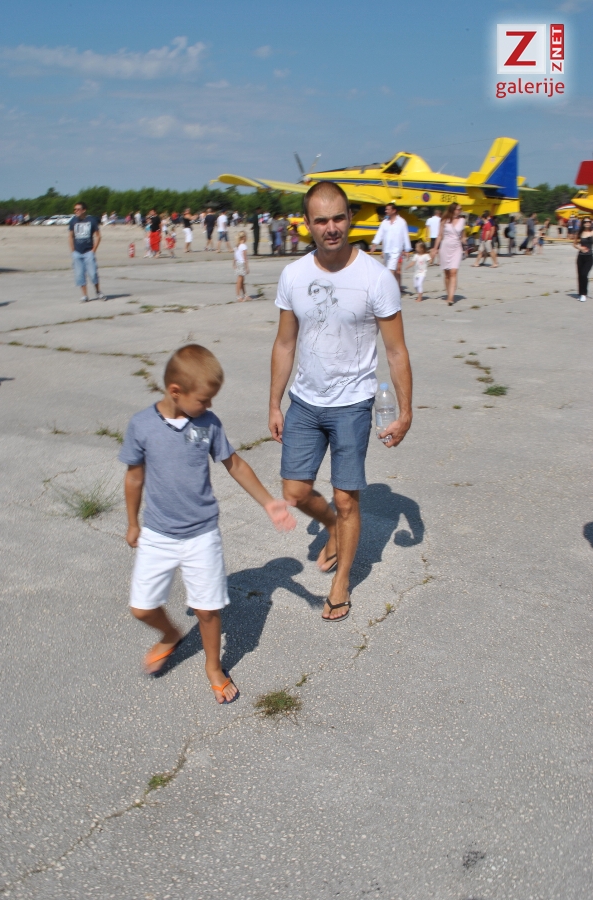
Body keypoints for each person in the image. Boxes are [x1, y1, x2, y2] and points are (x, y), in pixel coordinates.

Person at [269, 181, 413, 621]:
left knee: (347, 499)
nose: (331, 228)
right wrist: (274, 402)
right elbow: (284, 343)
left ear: (350, 218)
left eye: (338, 218)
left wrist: (406, 412)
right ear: (307, 224)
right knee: (294, 491)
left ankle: (341, 582)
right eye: (321, 220)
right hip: (304, 402)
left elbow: (396, 351)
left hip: (352, 404)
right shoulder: (293, 275)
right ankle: (332, 525)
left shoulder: (376, 277)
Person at [120, 344, 296, 697]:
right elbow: (134, 478)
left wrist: (268, 502)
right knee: (141, 608)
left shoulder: (208, 424)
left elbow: (235, 465)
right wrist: (132, 522)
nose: (210, 405)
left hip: (201, 534)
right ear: (175, 391)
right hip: (157, 532)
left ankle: (213, 665)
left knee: (207, 610)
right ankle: (170, 635)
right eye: (204, 399)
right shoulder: (141, 425)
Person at [68, 201, 105, 302]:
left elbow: (98, 236)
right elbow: (70, 236)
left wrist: (93, 250)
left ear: (84, 210)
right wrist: (73, 250)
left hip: (88, 252)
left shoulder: (91, 221)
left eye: (78, 209)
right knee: (79, 274)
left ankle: (98, 291)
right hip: (77, 252)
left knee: (93, 273)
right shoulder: (73, 221)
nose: (76, 211)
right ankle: (84, 295)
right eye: (75, 209)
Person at [430, 202, 466, 305]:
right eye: (458, 209)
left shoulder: (462, 220)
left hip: (456, 248)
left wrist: (466, 246)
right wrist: (435, 249)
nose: (460, 211)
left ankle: (451, 298)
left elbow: (463, 236)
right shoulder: (444, 220)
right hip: (445, 247)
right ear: (453, 210)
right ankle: (448, 293)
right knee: (447, 274)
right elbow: (439, 236)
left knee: (453, 272)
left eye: (461, 209)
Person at [369, 202, 412, 286]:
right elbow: (380, 233)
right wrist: (375, 244)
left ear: (394, 210)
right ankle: (394, 287)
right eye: (386, 209)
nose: (386, 211)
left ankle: (388, 288)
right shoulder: (384, 222)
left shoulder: (401, 222)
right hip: (386, 249)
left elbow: (405, 236)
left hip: (396, 250)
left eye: (388, 209)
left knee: (391, 269)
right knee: (387, 269)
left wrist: (407, 249)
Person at [574, 216, 593, 302]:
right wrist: (580, 248)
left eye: (588, 222)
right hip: (580, 257)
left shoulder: (592, 232)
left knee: (584, 274)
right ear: (583, 223)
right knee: (580, 275)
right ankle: (581, 293)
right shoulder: (580, 233)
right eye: (585, 222)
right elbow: (574, 244)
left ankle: (584, 294)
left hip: (589, 257)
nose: (587, 223)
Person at [234, 231, 250, 301]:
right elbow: (245, 257)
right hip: (242, 264)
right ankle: (238, 296)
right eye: (246, 236)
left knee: (242, 280)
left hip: (238, 263)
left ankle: (245, 294)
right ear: (243, 237)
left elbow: (235, 256)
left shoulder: (237, 245)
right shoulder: (243, 246)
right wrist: (247, 267)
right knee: (239, 280)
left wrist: (234, 263)